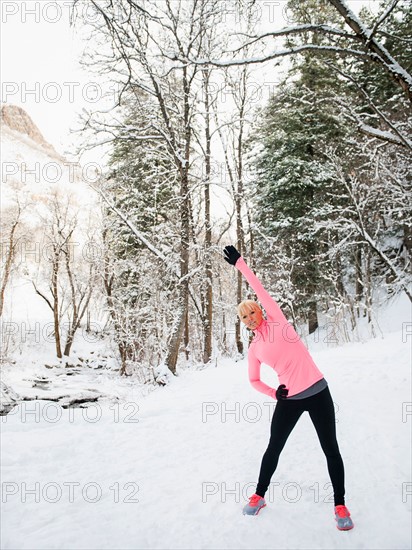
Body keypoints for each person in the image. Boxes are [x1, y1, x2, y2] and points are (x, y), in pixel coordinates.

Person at [223, 245, 354, 531]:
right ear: (243, 323)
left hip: (318, 391)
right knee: (273, 448)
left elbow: (259, 287)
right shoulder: (255, 349)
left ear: (260, 310)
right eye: (244, 317)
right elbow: (253, 381)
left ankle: (340, 505)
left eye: (252, 312)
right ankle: (259, 495)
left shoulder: (279, 323)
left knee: (330, 448)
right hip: (289, 399)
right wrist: (274, 393)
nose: (249, 318)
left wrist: (241, 265)